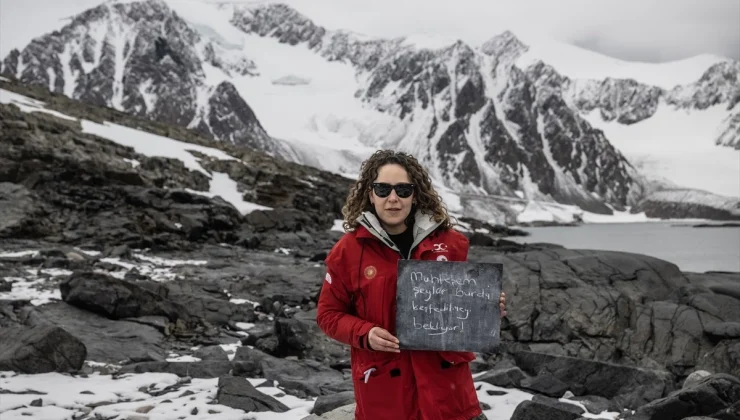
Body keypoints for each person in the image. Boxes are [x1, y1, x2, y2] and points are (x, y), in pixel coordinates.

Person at [316, 149, 507, 420]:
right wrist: (364, 333)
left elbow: (461, 306)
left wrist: (486, 308)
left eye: (403, 190)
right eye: (383, 189)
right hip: (385, 394)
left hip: (448, 393)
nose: (393, 199)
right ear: (370, 194)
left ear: (415, 194)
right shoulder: (348, 252)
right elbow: (328, 315)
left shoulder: (450, 243)